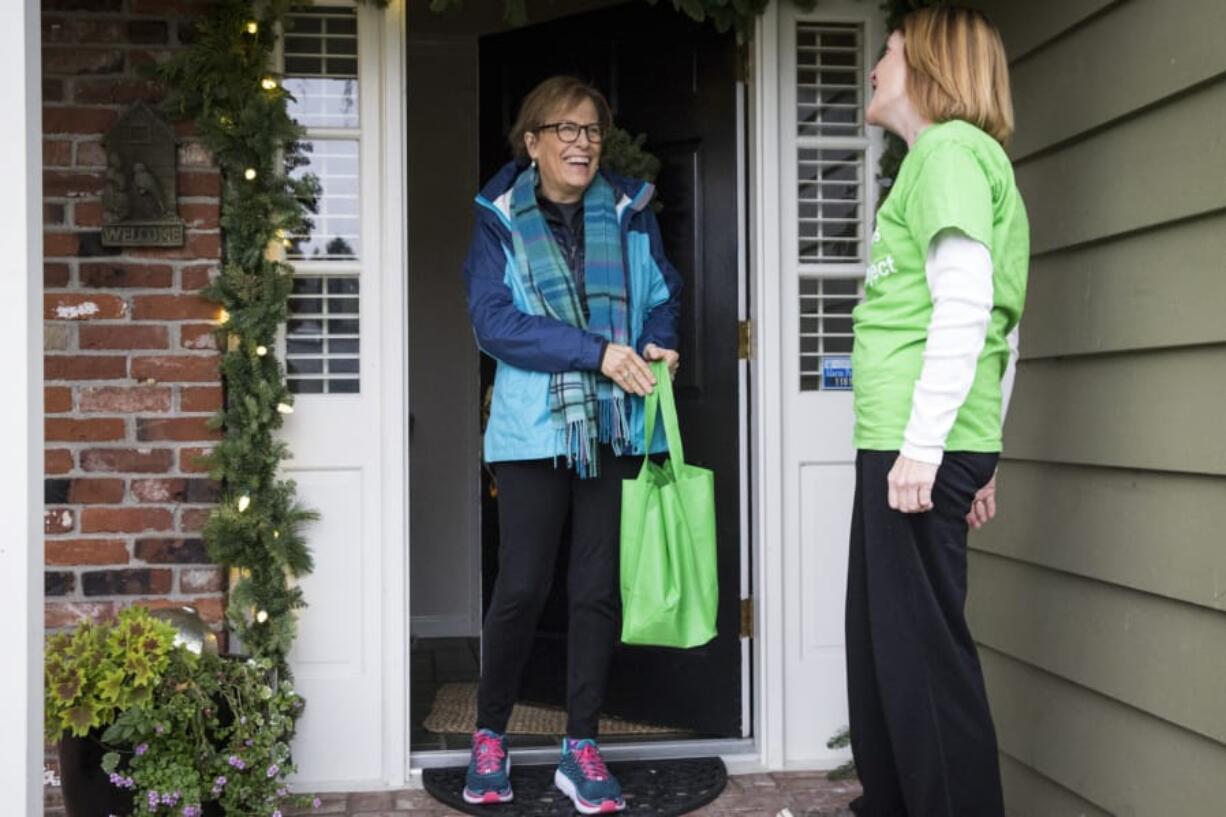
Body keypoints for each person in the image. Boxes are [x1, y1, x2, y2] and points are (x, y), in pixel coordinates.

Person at [460, 75, 682, 814]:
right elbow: (495, 323)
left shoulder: (629, 211)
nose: (582, 142)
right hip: (530, 432)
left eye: (592, 130)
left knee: (595, 592)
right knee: (521, 587)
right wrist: (596, 351)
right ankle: (490, 734)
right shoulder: (498, 219)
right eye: (566, 129)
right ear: (533, 142)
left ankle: (579, 745)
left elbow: (661, 294)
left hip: (616, 424)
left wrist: (661, 342)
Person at [844, 6, 1028, 817]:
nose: (877, 66)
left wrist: (930, 446)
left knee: (922, 666)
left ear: (925, 65)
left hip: (914, 450)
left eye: (887, 52)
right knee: (883, 657)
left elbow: (968, 305)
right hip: (921, 445)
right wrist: (981, 448)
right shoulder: (939, 163)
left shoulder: (951, 153)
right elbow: (1006, 335)